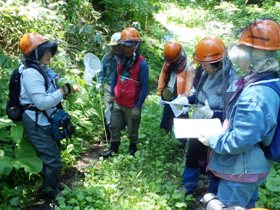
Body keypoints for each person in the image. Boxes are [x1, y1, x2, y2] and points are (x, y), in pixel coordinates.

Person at [197, 19, 280, 208]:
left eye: (243, 48)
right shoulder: (266, 82)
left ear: (256, 54)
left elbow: (241, 140)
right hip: (248, 168)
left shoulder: (256, 95)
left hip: (240, 171)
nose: (237, 53)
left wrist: (212, 139)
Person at [19, 33, 78, 200]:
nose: (50, 55)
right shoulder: (31, 73)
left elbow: (47, 95)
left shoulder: (42, 70)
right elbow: (41, 103)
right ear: (34, 54)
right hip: (36, 120)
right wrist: (62, 91)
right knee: (52, 158)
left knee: (55, 152)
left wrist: (62, 93)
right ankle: (49, 193)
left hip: (46, 119)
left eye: (50, 51)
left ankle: (52, 183)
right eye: (46, 51)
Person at [182, 36, 239, 194]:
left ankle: (213, 195)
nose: (202, 67)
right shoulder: (207, 72)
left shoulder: (232, 80)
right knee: (192, 154)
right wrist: (186, 99)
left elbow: (233, 113)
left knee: (215, 162)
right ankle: (188, 185)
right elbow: (200, 94)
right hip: (199, 122)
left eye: (205, 65)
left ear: (217, 62)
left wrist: (214, 113)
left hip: (216, 126)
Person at [101, 27, 149, 158]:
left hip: (132, 104)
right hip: (118, 101)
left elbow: (145, 87)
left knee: (132, 130)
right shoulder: (121, 60)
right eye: (123, 45)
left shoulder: (142, 64)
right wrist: (112, 94)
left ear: (135, 45)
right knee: (114, 126)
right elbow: (116, 76)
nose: (126, 49)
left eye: (129, 46)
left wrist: (138, 107)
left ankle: (132, 150)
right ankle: (113, 149)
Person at [157, 40, 195, 136]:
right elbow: (162, 77)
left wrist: (186, 103)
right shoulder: (167, 64)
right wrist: (160, 94)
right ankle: (165, 136)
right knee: (166, 120)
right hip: (168, 94)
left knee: (182, 123)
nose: (169, 63)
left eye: (171, 61)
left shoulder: (188, 67)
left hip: (181, 98)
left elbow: (189, 86)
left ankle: (181, 144)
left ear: (178, 57)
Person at [97, 32, 121, 139]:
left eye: (116, 46)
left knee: (118, 111)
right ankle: (109, 133)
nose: (114, 48)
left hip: (121, 89)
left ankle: (119, 133)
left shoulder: (125, 58)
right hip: (108, 87)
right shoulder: (107, 57)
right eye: (113, 46)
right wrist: (99, 82)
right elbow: (101, 72)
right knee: (108, 110)